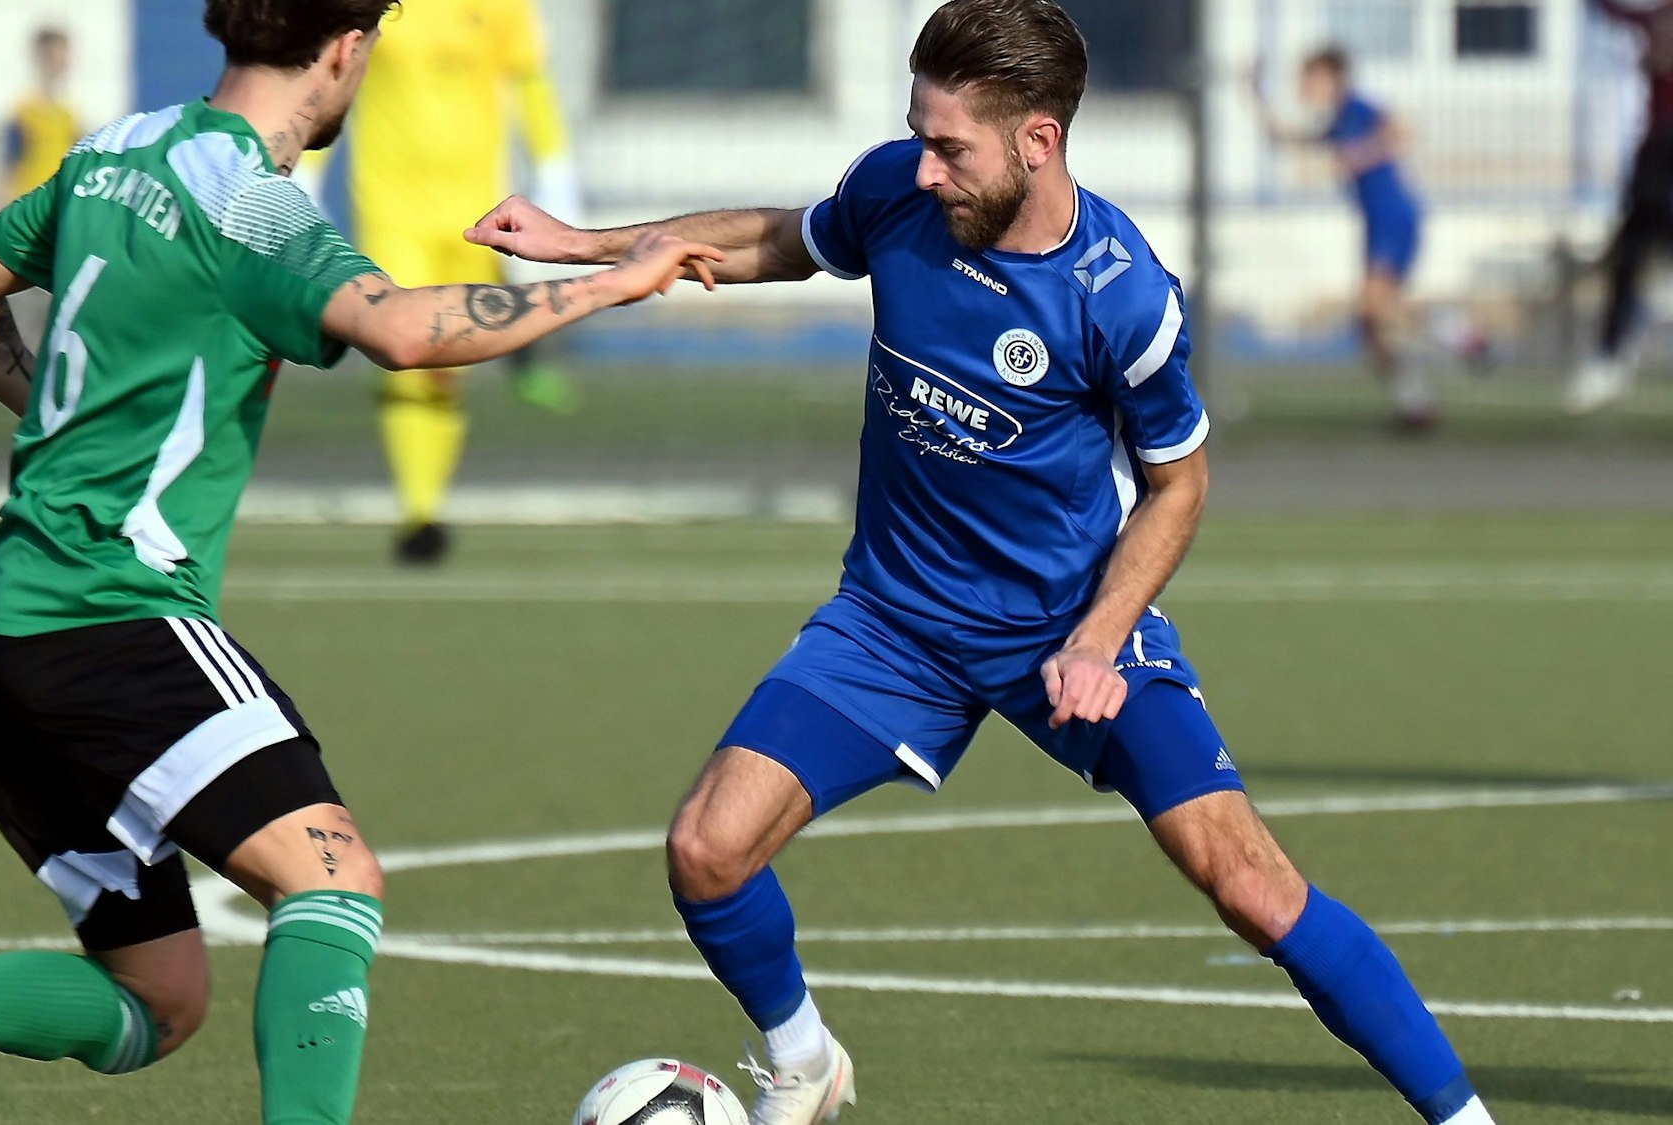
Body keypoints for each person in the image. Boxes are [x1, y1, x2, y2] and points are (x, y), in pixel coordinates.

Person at [469, 3, 1494, 1123]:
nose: (923, 168)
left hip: (1068, 625)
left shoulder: (1122, 297)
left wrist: (1098, 642)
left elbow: (1180, 485)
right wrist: (585, 244)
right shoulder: (898, 197)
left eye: (950, 147)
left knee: (1251, 887)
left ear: (1037, 141)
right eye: (919, 134)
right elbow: (780, 240)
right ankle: (805, 1063)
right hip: (893, 623)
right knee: (706, 850)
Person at [0, 0, 719, 1121]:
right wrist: (616, 278)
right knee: (332, 876)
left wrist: (72, 427)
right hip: (112, 612)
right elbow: (405, 330)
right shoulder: (251, 200)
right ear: (345, 49)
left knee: (156, 1003)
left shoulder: (113, 153)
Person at [349, 0, 584, 564]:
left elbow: (529, 80)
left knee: (450, 365)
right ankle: (419, 511)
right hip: (392, 206)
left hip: (476, 208)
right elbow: (331, 78)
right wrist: (304, 171)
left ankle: (427, 506)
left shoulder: (504, 7)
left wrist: (555, 169)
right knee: (405, 345)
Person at [1253, 46, 1435, 430]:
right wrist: (1255, 95)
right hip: (1375, 222)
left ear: (1334, 78)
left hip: (1393, 216)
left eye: (1312, 78)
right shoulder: (1337, 121)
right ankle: (1415, 403)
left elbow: (1401, 133)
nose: (1305, 87)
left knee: (1375, 309)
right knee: (1370, 325)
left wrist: (1353, 157)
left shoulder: (1358, 108)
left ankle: (1461, 339)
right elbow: (1286, 138)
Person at [1574, 0, 1673, 412]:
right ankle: (1612, 352)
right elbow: (1610, 10)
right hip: (1657, 147)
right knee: (1630, 253)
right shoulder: (1654, 19)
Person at [3, 27, 81, 202]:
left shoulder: (69, 115)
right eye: (52, 56)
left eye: (62, 55)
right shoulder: (24, 113)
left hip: (60, 202)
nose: (58, 63)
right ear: (39, 58)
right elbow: (9, 166)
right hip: (30, 201)